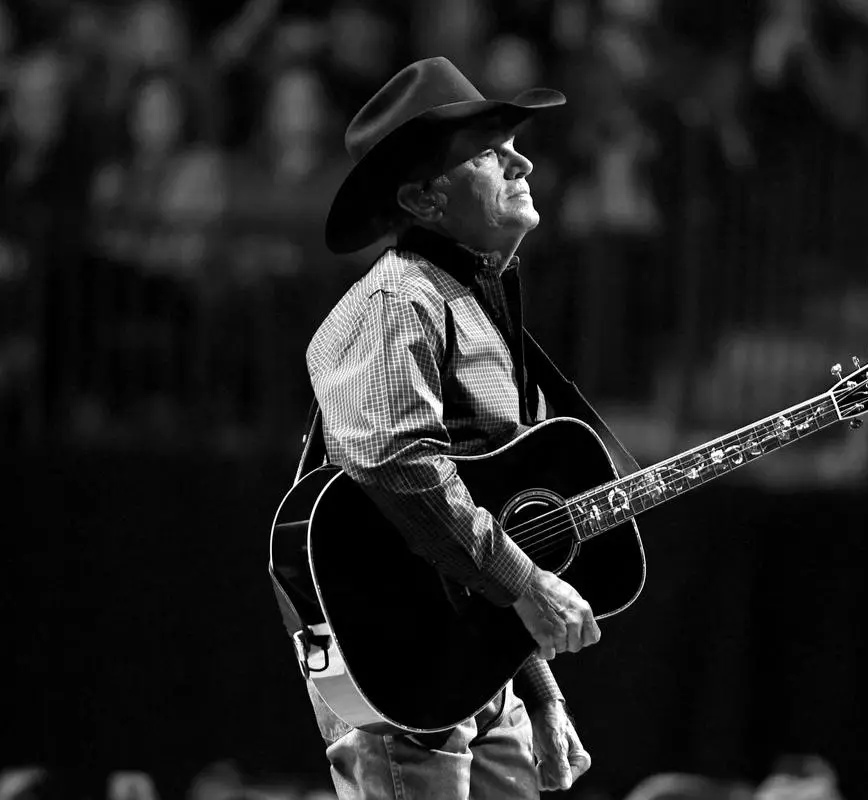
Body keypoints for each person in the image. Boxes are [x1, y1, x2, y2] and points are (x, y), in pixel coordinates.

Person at [304, 56, 601, 798]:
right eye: (486, 151)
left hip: (464, 672)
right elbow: (399, 465)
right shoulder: (399, 297)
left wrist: (539, 693)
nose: (522, 159)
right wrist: (526, 581)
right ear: (422, 199)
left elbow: (478, 518)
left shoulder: (472, 299)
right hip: (399, 678)